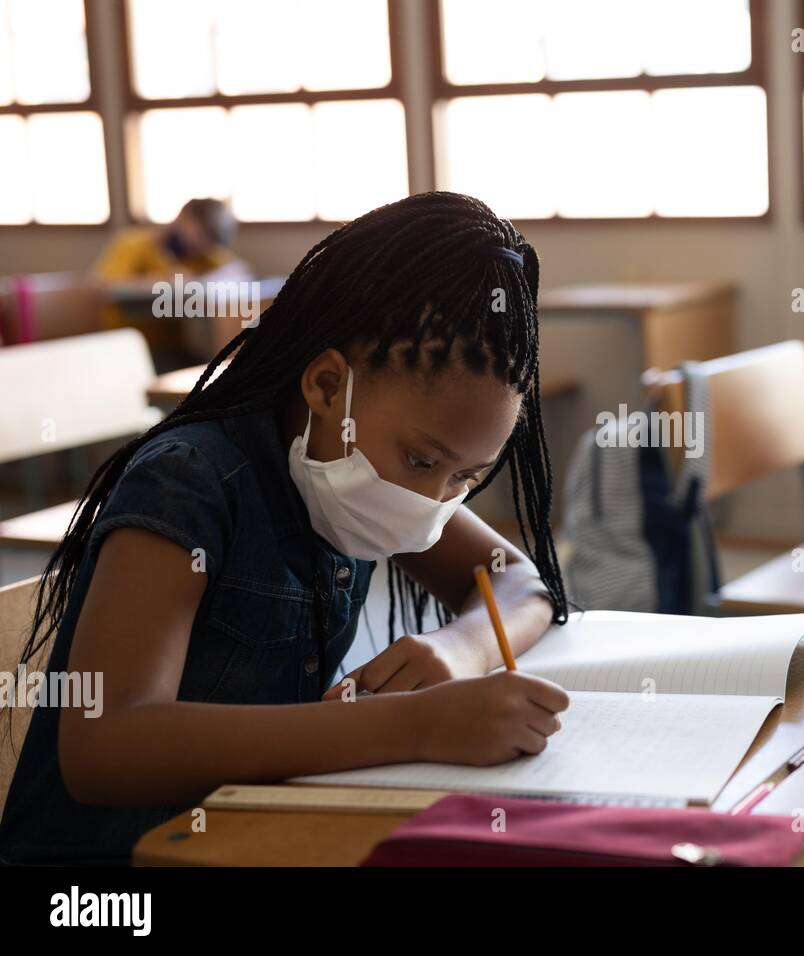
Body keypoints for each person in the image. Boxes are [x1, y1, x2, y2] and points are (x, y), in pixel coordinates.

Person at [0, 192, 570, 864]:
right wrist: (410, 724)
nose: (433, 501)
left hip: (252, 838)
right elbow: (105, 744)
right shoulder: (192, 481)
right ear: (328, 387)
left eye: (464, 479)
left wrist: (463, 649)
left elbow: (522, 584)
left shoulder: (375, 474)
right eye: (421, 460)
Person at [92, 198, 245, 367]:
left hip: (173, 349)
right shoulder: (133, 244)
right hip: (126, 346)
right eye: (200, 235)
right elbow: (102, 287)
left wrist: (201, 280)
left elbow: (238, 271)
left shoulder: (202, 255)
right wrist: (162, 281)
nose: (200, 245)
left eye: (209, 241)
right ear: (184, 217)